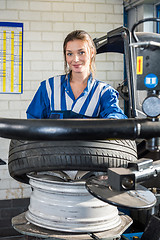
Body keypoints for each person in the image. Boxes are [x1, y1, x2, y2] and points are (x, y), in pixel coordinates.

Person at [26, 30, 127, 119]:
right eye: (70, 54)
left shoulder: (103, 92)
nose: (75, 59)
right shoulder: (48, 88)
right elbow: (32, 122)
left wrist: (112, 119)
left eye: (81, 52)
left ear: (92, 53)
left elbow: (115, 114)